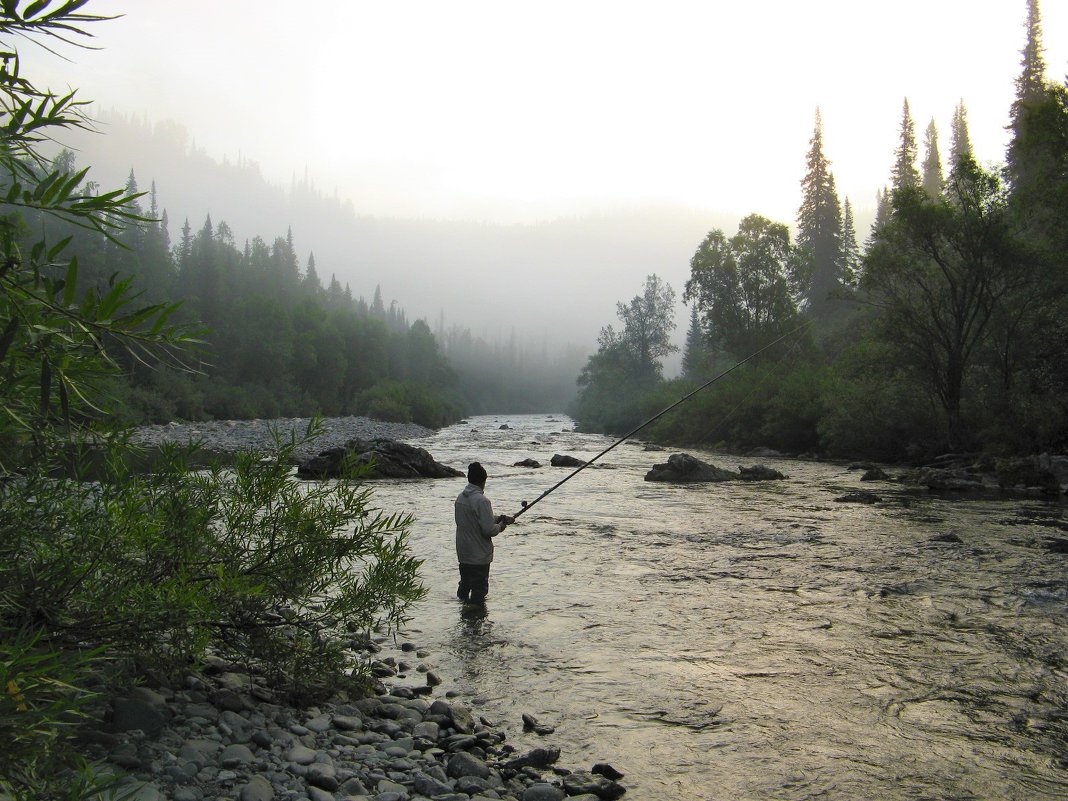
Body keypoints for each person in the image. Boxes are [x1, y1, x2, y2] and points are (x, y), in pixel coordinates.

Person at [454, 462, 514, 604]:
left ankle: (463, 618)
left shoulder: (460, 498)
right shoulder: (482, 501)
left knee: (464, 587)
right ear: (483, 481)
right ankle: (476, 620)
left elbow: (475, 520)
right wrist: (501, 525)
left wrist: (498, 518)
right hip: (479, 556)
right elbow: (488, 530)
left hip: (463, 553)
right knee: (479, 593)